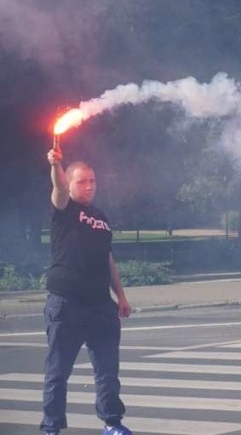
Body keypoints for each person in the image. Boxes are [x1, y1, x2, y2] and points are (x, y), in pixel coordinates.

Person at [42, 147, 133, 435]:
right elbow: (56, 187)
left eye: (92, 181)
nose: (89, 186)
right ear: (70, 184)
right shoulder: (64, 208)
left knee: (107, 370)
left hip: (100, 306)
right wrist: (56, 164)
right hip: (66, 304)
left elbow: (107, 257)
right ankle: (52, 427)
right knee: (58, 372)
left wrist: (120, 294)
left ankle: (112, 423)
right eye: (82, 181)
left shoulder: (101, 217)